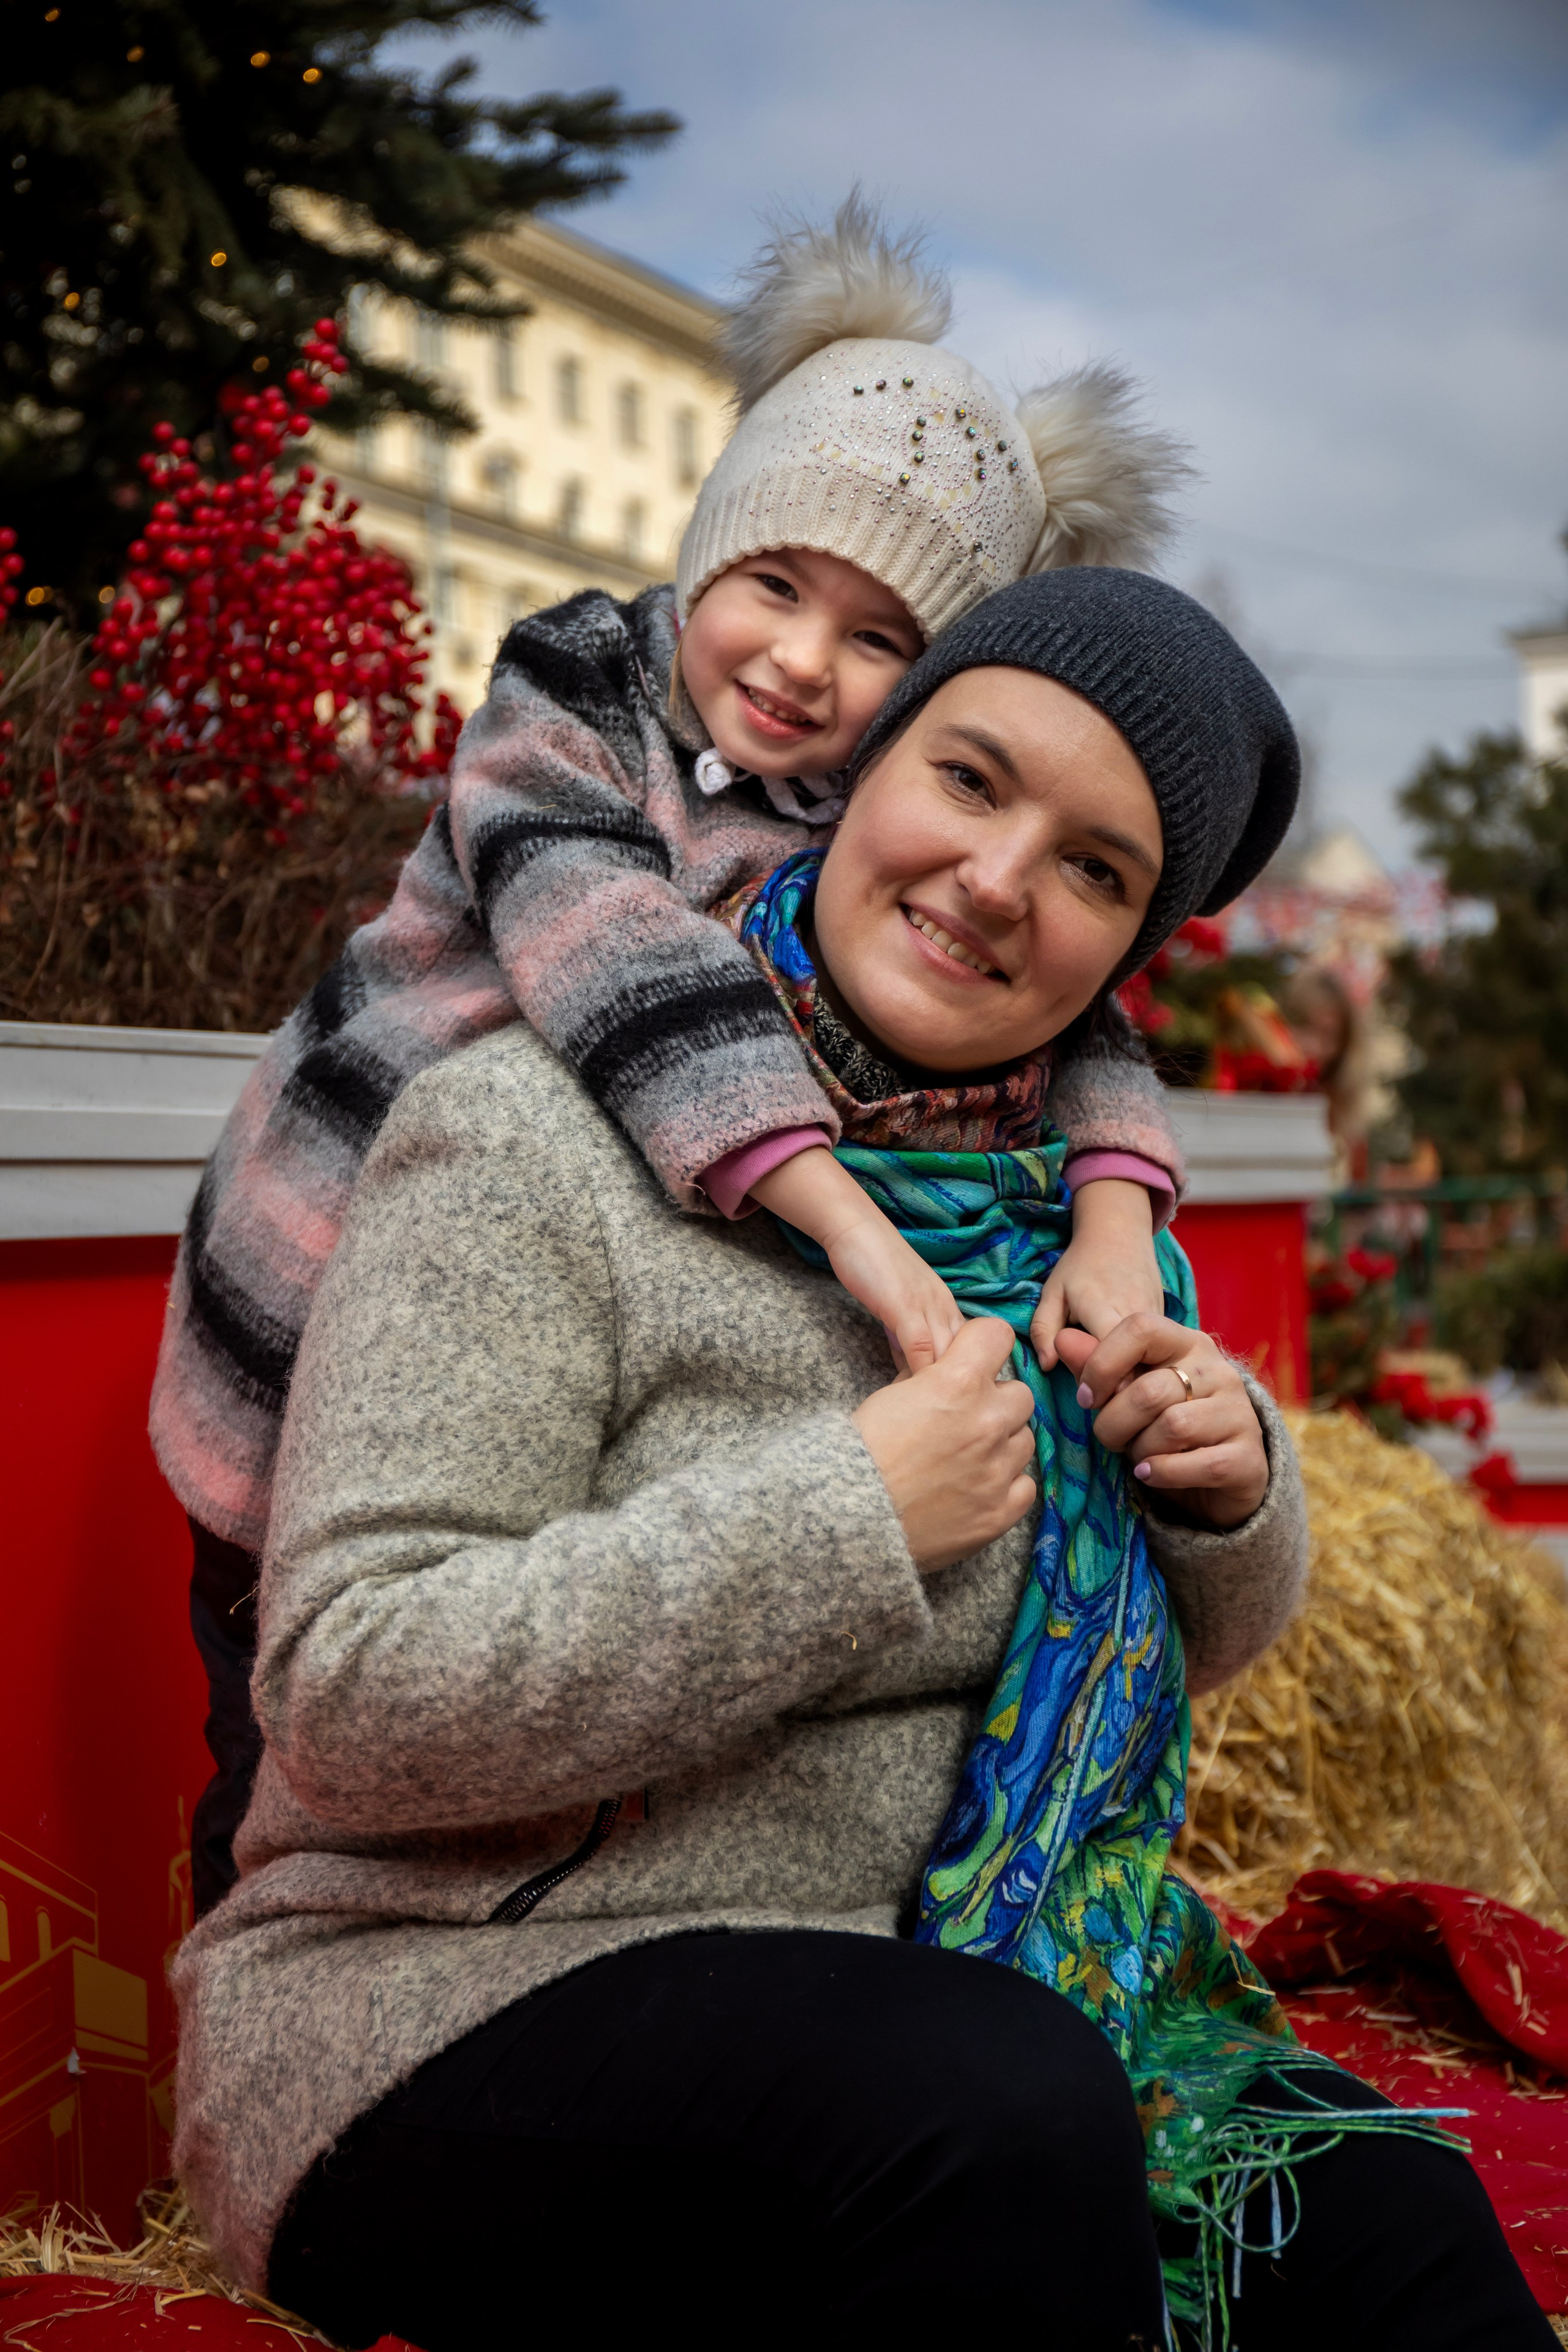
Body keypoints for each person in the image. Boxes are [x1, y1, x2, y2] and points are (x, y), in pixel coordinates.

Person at [172, 570, 1549, 2350]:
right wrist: (852, 1519)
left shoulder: (1080, 1233)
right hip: (442, 1996)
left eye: (1094, 869)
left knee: (1393, 2222)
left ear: (1125, 955)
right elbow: (348, 1695)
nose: (998, 879)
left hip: (938, 1991)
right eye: (970, 781)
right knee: (998, 2112)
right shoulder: (524, 1139)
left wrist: (1228, 1497)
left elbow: (1158, 1653)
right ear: (863, 774)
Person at [149, 197, 1197, 1915]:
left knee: (499, 1695)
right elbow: (620, 956)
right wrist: (850, 1224)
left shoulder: (865, 811)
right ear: (711, 543)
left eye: (879, 639)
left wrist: (1112, 1219)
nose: (800, 662)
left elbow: (1079, 1022)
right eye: (775, 584)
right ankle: (264, 1980)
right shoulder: (575, 689)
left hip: (522, 1335)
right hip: (314, 1286)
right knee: (280, 1745)